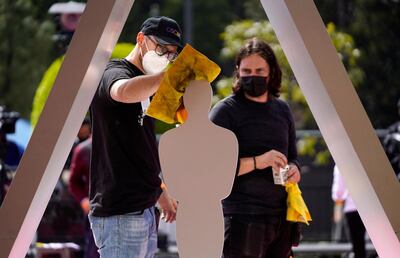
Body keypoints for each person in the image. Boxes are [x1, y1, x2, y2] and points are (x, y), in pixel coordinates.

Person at [89, 16, 181, 258]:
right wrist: (166, 78)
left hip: (142, 210)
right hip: (120, 212)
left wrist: (159, 191)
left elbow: (138, 149)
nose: (165, 58)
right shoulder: (114, 70)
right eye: (161, 48)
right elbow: (122, 91)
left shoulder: (150, 87)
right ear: (141, 39)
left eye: (172, 54)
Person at [209, 38, 301, 258]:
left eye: (259, 70)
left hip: (281, 218)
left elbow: (294, 157)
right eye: (247, 70)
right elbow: (214, 170)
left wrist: (294, 169)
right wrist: (260, 161)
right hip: (242, 217)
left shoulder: (282, 110)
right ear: (238, 72)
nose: (253, 76)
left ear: (271, 73)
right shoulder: (225, 112)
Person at [331, 165, 367, 258]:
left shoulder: (340, 165)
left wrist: (337, 198)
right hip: (369, 206)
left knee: (357, 245)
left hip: (352, 207)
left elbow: (338, 190)